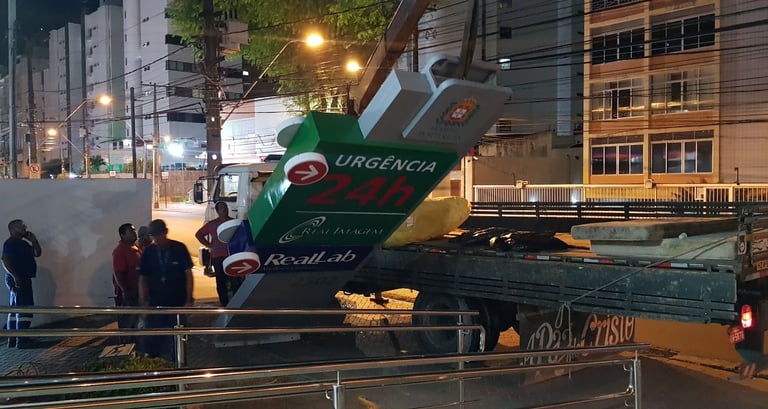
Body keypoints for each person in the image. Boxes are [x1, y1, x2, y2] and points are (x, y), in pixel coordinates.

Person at [138, 219, 194, 360]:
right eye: (153, 236)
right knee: (153, 341)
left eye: (158, 235)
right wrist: (144, 302)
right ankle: (155, 367)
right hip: (155, 303)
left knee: (177, 341)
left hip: (177, 303)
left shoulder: (179, 248)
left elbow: (188, 274)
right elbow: (143, 278)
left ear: (165, 232)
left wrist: (189, 300)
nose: (156, 239)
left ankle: (178, 366)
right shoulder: (149, 252)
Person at [1, 219, 42, 348]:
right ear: (13, 229)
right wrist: (16, 277)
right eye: (21, 226)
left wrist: (34, 241)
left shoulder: (22, 244)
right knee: (24, 308)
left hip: (21, 278)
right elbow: (5, 260)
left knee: (17, 308)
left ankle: (13, 339)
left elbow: (37, 253)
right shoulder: (10, 243)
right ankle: (22, 340)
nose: (25, 228)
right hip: (19, 279)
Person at [195, 201, 242, 306]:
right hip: (217, 257)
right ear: (217, 211)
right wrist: (209, 245)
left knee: (235, 280)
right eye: (221, 208)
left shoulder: (234, 222)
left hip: (231, 256)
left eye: (225, 208)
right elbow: (198, 234)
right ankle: (224, 304)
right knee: (220, 281)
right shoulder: (212, 224)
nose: (224, 210)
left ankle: (236, 304)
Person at [112, 223, 141, 336]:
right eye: (131, 231)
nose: (135, 232)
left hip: (139, 290)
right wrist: (126, 292)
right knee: (130, 320)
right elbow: (119, 274)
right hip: (130, 292)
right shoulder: (120, 251)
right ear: (123, 235)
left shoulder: (136, 248)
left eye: (134, 230)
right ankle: (129, 340)